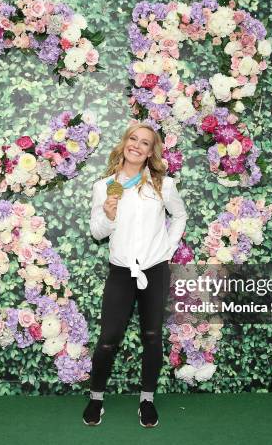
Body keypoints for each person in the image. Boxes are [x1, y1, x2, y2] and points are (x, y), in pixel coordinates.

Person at [82, 122, 188, 428]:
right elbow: (97, 232)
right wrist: (109, 215)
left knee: (152, 337)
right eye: (133, 139)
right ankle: (96, 397)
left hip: (154, 270)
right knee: (108, 339)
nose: (137, 146)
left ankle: (147, 399)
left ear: (150, 151)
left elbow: (179, 216)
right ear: (124, 143)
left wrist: (167, 249)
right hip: (121, 271)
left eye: (145, 143)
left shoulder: (161, 184)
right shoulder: (105, 186)